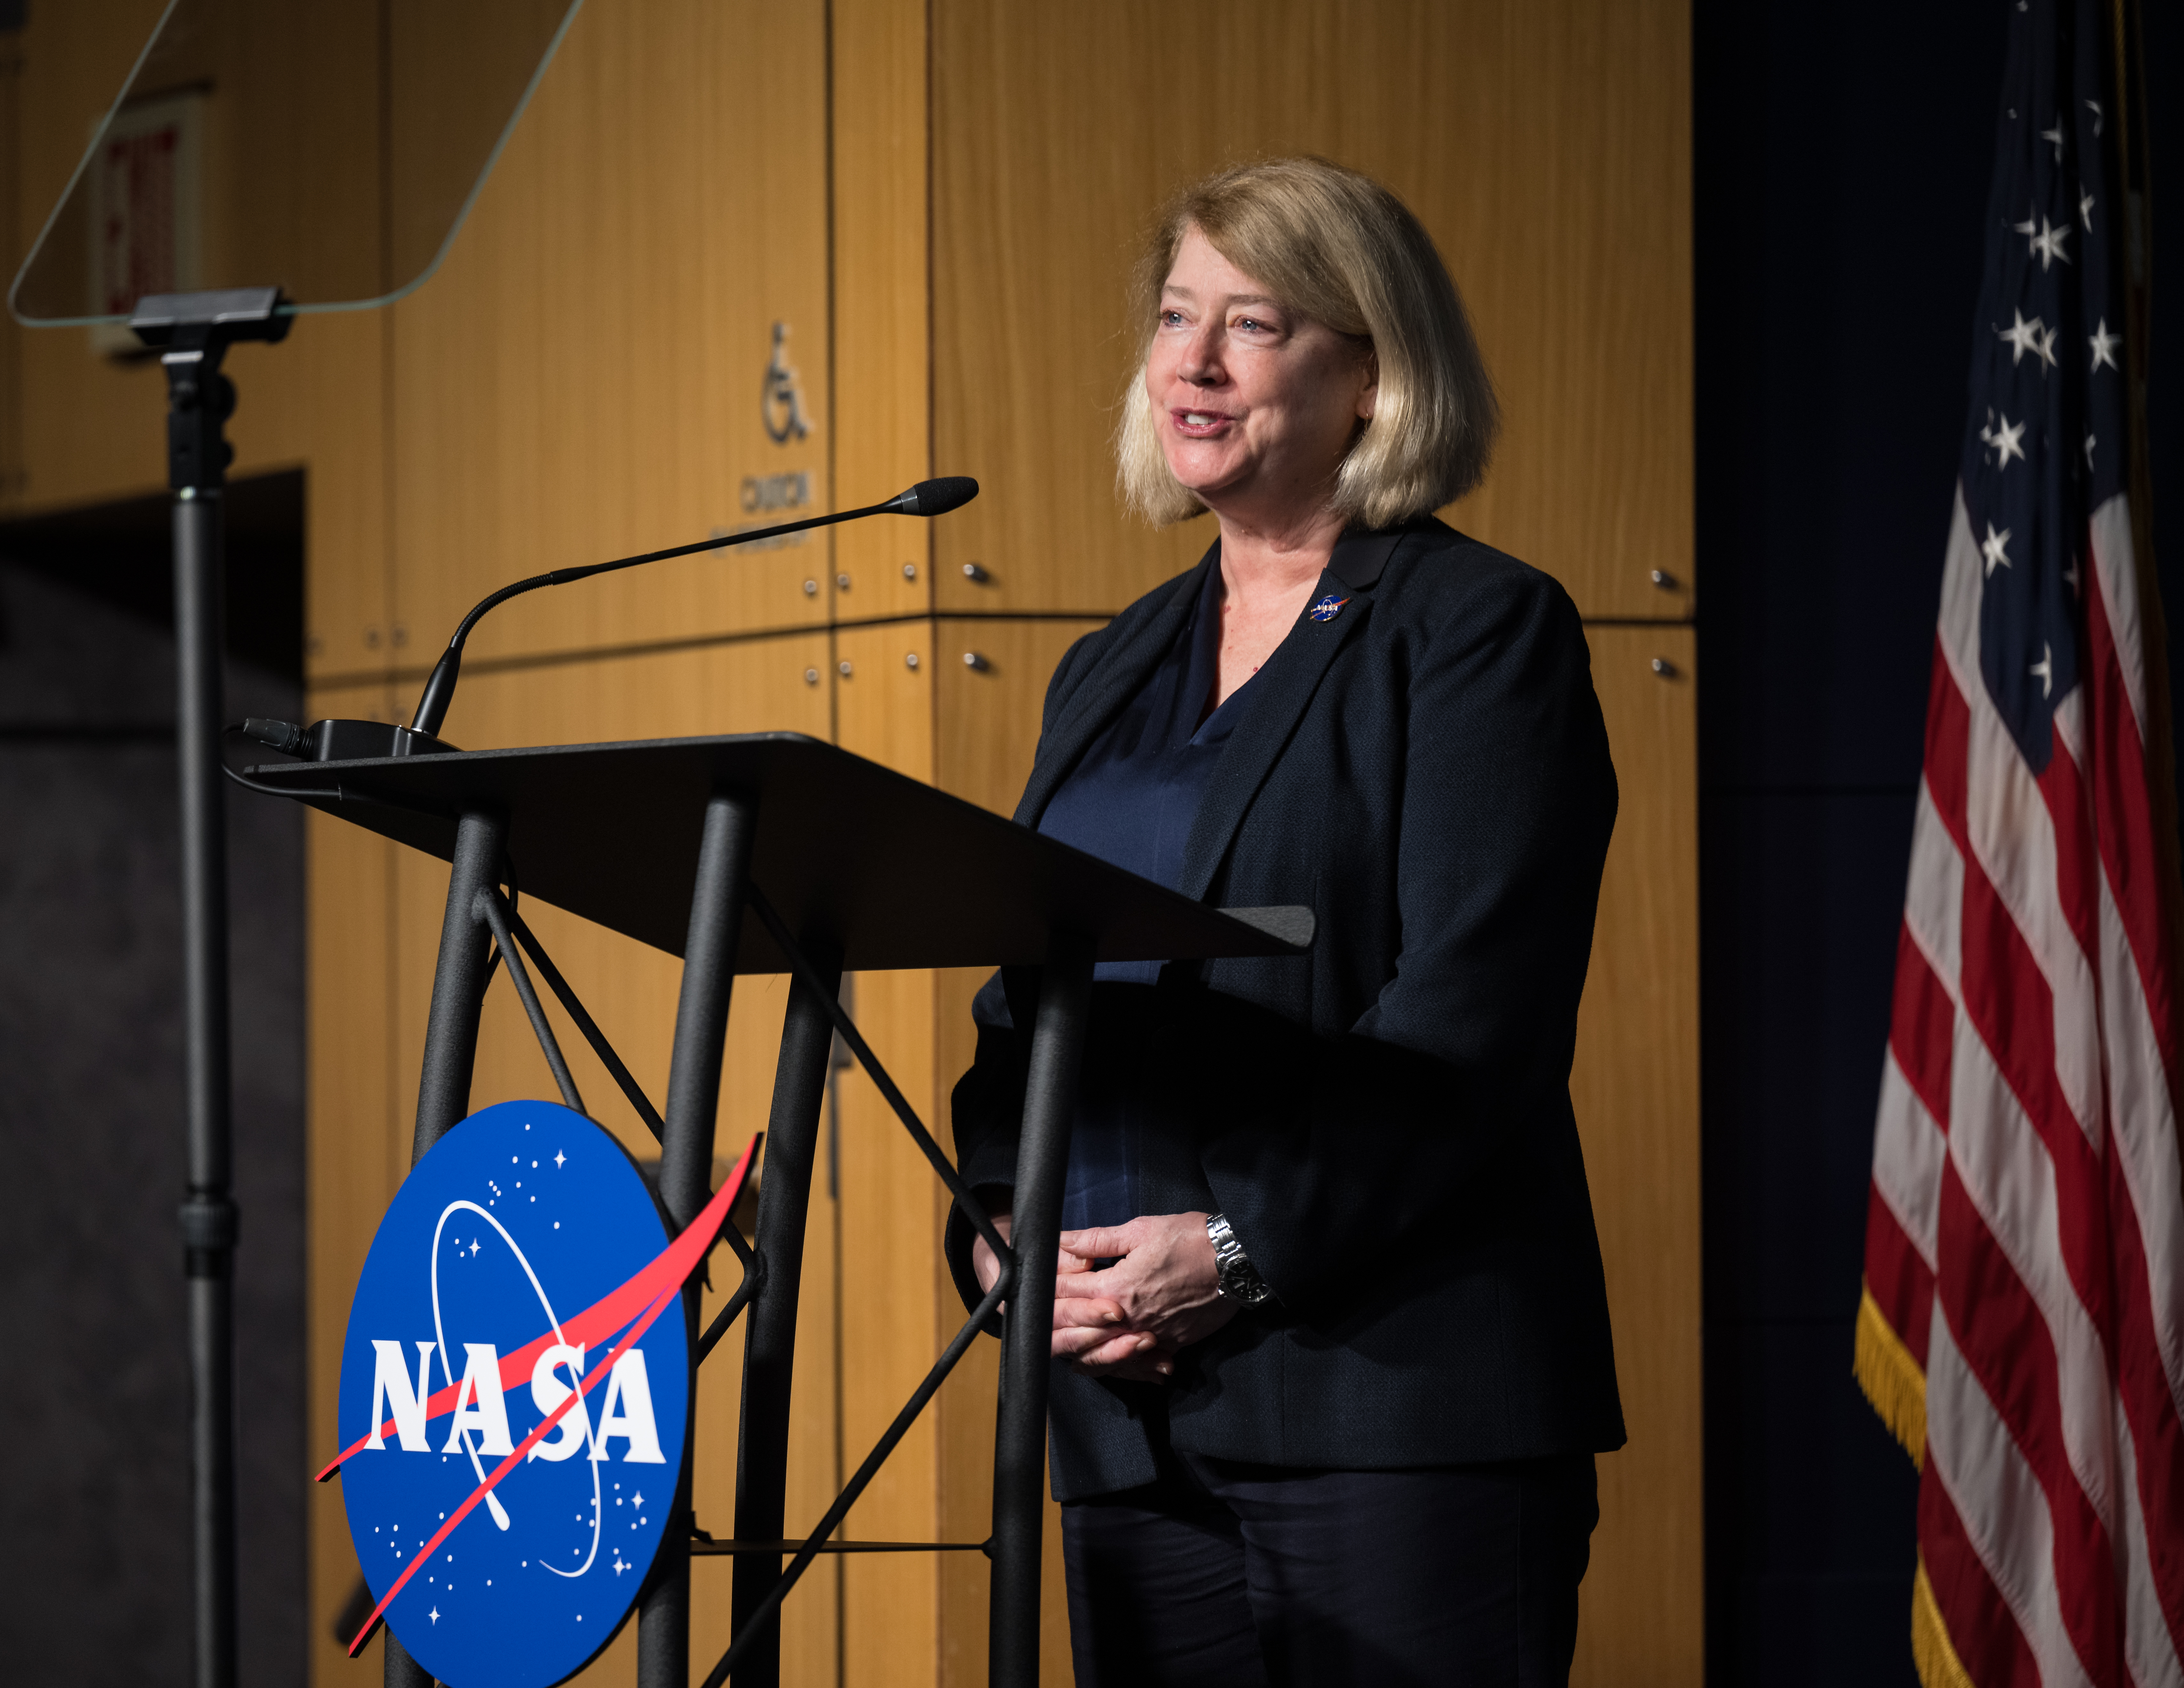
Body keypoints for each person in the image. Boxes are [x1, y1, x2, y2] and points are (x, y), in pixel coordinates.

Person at [943, 156, 1624, 1688]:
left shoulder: (1477, 632)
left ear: (1373, 375)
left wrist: (1238, 1249)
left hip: (1390, 1406)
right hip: (1122, 1418)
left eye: (1251, 324)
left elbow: (1471, 1023)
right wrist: (999, 1233)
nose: (1190, 363)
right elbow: (1027, 1004)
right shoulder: (1111, 665)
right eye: (1176, 317)